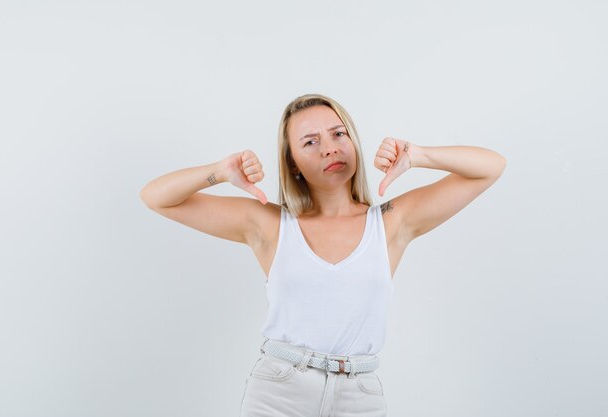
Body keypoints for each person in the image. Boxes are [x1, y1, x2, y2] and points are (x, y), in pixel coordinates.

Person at [139, 93, 506, 416]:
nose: (330, 148)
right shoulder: (270, 225)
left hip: (359, 394)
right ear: (293, 162)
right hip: (279, 392)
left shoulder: (391, 223)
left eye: (338, 134)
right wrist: (218, 172)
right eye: (310, 141)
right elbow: (156, 197)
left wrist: (419, 156)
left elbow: (490, 168)